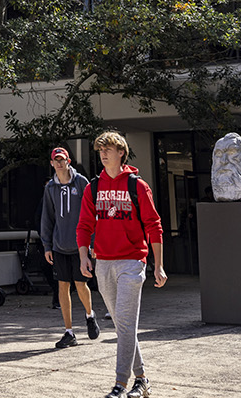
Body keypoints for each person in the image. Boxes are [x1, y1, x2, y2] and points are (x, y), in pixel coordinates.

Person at [76, 131, 165, 398]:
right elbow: (83, 225)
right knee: (122, 325)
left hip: (131, 262)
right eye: (100, 150)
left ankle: (120, 384)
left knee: (125, 324)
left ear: (121, 153)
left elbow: (154, 225)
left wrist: (157, 265)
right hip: (103, 263)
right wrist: (83, 256)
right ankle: (143, 380)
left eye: (108, 149)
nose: (103, 154)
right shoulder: (93, 187)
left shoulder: (137, 186)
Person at [40, 146, 99, 349]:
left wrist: (92, 243)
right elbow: (47, 217)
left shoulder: (81, 182)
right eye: (55, 160)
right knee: (62, 286)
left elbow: (92, 213)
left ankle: (90, 315)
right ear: (51, 163)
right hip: (59, 245)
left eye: (62, 159)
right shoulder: (50, 188)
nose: (59, 163)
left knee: (81, 284)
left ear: (68, 162)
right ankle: (69, 332)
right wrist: (47, 244)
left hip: (80, 245)